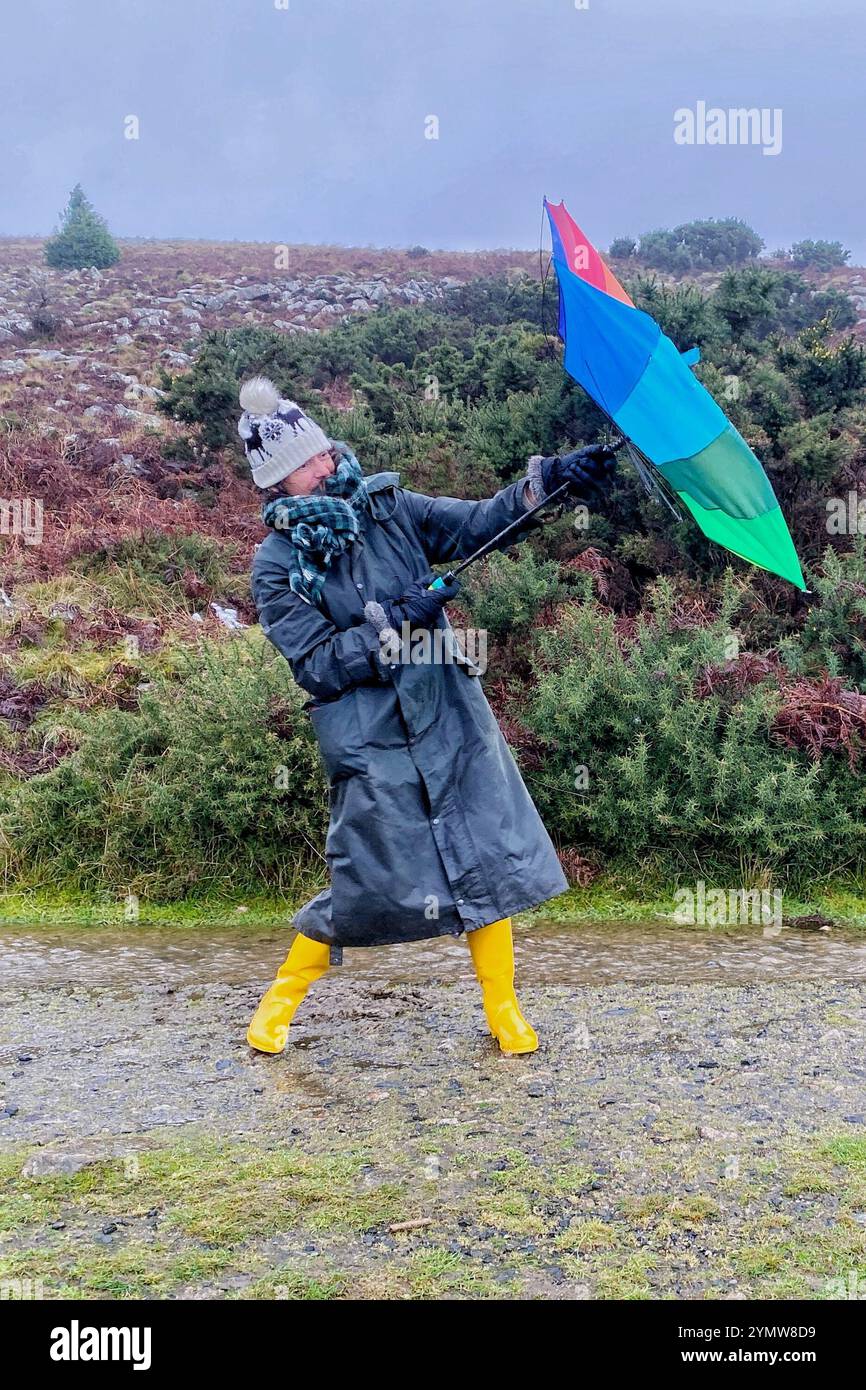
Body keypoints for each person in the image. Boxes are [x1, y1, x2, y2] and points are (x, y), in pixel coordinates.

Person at [239, 376, 615, 1057]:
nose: (321, 468)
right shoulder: (276, 566)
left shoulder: (390, 508)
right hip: (368, 735)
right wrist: (395, 622)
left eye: (320, 453)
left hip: (448, 712)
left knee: (487, 853)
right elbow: (317, 664)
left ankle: (504, 1010)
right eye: (300, 465)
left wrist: (551, 482)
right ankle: (280, 1000)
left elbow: (478, 523)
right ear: (274, 483)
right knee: (365, 879)